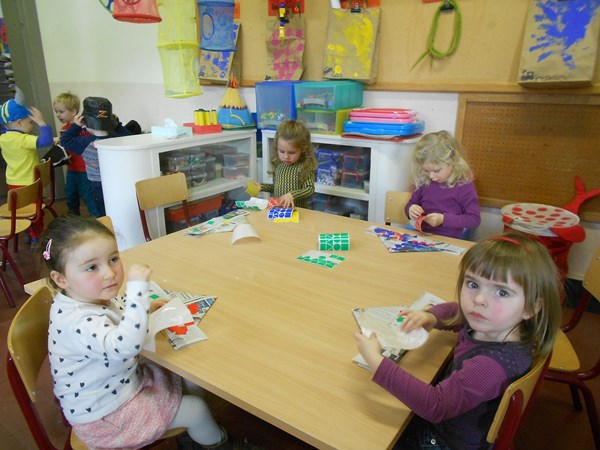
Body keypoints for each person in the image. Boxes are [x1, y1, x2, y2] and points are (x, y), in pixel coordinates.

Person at [40, 215, 262, 450]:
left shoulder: (85, 296)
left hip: (119, 385)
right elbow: (125, 346)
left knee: (191, 379)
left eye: (113, 259)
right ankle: (218, 444)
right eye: (92, 267)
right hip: (105, 417)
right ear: (60, 279)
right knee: (196, 410)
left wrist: (144, 308)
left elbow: (114, 316)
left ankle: (192, 434)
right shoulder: (78, 320)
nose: (109, 273)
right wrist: (138, 291)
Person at [354, 232, 562, 450]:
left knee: (363, 430)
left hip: (444, 441)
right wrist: (431, 317)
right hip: (450, 419)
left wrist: (376, 360)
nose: (479, 299)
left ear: (531, 307)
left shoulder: (490, 366)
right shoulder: (497, 324)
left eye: (502, 292)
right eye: (473, 284)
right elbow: (456, 310)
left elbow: (436, 406)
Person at [60, 97, 131, 217]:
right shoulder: (118, 138)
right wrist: (116, 125)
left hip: (98, 184)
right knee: (120, 209)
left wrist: (76, 126)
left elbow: (65, 140)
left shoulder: (86, 144)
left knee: (103, 211)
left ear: (85, 122)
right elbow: (130, 136)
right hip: (119, 181)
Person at [0, 87, 53, 244]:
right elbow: (46, 141)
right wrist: (41, 122)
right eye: (30, 122)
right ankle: (36, 236)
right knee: (35, 211)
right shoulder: (24, 140)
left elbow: (5, 128)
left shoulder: (3, 138)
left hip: (13, 182)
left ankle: (27, 232)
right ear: (19, 122)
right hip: (30, 182)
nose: (32, 126)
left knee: (21, 209)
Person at [405, 130, 480, 239]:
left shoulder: (464, 186)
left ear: (453, 161)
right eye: (426, 170)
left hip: (449, 241)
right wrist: (411, 209)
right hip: (422, 237)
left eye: (436, 170)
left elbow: (474, 220)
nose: (431, 176)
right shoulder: (425, 181)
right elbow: (411, 203)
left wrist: (444, 219)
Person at [248, 119, 317, 209]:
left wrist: (292, 195)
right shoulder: (279, 165)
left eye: (291, 152)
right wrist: (261, 186)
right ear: (277, 147)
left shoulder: (304, 166)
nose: (286, 157)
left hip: (298, 211)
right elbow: (276, 187)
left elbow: (309, 189)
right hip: (279, 210)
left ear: (303, 149)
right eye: (281, 151)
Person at [52, 92, 101, 217]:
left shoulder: (83, 127)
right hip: (71, 168)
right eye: (56, 111)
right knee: (70, 193)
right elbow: (68, 143)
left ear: (73, 112)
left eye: (61, 111)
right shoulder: (64, 128)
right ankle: (73, 216)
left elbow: (86, 142)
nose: (58, 115)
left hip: (84, 169)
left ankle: (97, 218)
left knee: (87, 194)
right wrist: (59, 143)